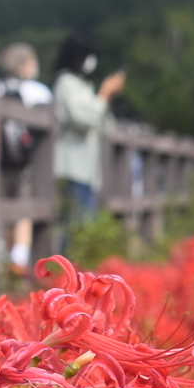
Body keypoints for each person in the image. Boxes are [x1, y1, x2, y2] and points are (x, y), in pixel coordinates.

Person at [52, 32, 124, 252]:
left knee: (81, 230)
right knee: (75, 230)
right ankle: (64, 279)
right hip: (72, 169)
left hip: (87, 171)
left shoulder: (83, 86)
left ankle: (73, 280)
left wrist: (107, 98)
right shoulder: (66, 83)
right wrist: (103, 93)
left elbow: (106, 127)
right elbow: (83, 120)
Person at [0, 42, 52, 278]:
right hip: (29, 163)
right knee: (24, 209)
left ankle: (10, 259)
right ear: (26, 65)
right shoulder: (38, 92)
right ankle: (19, 259)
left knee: (5, 210)